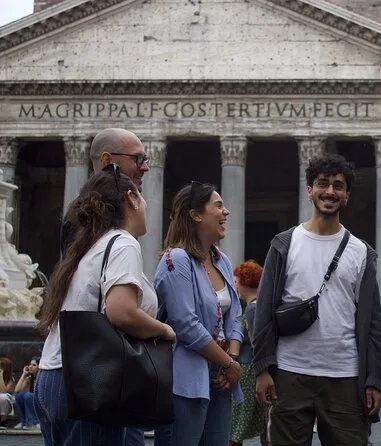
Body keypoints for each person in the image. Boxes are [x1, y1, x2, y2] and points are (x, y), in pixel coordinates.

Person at [35, 168, 175, 445]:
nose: (146, 204)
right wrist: (163, 330)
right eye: (141, 196)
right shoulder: (123, 242)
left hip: (53, 377)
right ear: (131, 199)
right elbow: (121, 311)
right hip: (89, 382)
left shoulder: (88, 246)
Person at [253, 153, 381, 446]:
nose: (330, 191)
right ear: (309, 190)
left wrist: (375, 379)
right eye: (323, 183)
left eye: (338, 186)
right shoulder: (284, 244)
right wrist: (263, 368)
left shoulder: (361, 252)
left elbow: (374, 322)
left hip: (345, 374)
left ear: (346, 196)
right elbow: (264, 311)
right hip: (290, 371)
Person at [153, 181, 244, 446]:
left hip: (221, 374)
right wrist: (229, 364)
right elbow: (186, 324)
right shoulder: (176, 259)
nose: (226, 211)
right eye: (218, 205)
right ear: (196, 215)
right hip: (185, 376)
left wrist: (231, 359)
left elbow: (235, 314)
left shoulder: (221, 260)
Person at [61, 127, 149, 255]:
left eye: (145, 160)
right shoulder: (85, 216)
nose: (145, 168)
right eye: (137, 158)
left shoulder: (82, 211)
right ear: (107, 160)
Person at [230, 260, 267, 446]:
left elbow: (255, 343)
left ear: (245, 282)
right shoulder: (260, 305)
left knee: (236, 427)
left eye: (237, 281)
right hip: (255, 370)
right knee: (264, 426)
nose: (235, 285)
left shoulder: (252, 308)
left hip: (248, 372)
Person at [13, 357, 40, 430]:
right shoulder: (29, 378)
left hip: (42, 402)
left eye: (34, 365)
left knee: (28, 395)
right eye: (30, 364)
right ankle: (23, 422)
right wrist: (24, 375)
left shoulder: (43, 377)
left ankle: (33, 422)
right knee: (19, 395)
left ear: (39, 367)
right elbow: (17, 390)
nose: (30, 366)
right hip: (32, 400)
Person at [0, 356, 15, 430]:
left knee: (3, 397)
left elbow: (3, 391)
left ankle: (3, 421)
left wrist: (1, 376)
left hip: (7, 404)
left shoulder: (10, 380)